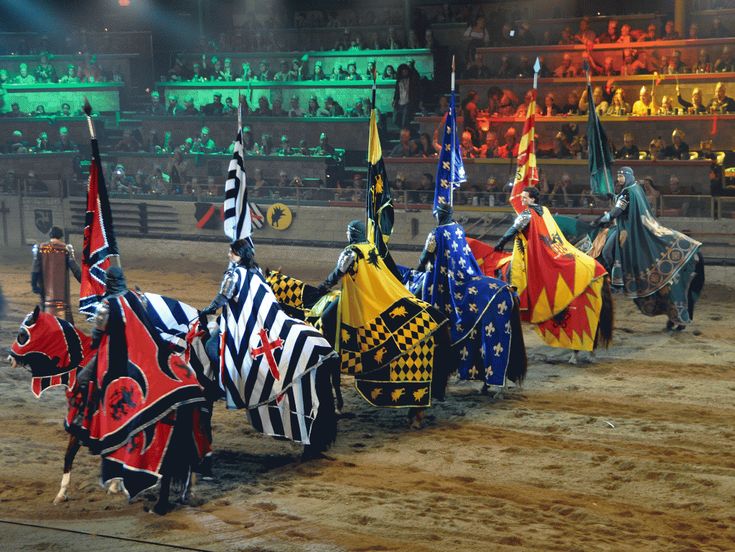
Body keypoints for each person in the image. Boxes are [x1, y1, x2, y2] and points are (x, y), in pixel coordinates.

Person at [201, 240, 337, 456]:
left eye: (231, 252)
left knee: (211, 345)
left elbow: (223, 298)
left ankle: (227, 384)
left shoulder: (233, 274)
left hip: (247, 325)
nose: (228, 255)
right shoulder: (256, 272)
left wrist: (205, 311)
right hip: (266, 321)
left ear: (238, 254)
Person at [314, 221, 447, 417]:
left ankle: (334, 355)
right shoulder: (371, 248)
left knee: (326, 317)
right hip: (377, 294)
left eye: (347, 232)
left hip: (360, 298)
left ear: (352, 234)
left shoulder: (351, 251)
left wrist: (323, 287)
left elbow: (338, 273)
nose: (346, 235)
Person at [409, 203, 525, 390]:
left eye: (437, 214)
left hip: (449, 282)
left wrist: (418, 271)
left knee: (433, 309)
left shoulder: (436, 234)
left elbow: (424, 258)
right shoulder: (458, 229)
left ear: (440, 215)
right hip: (467, 274)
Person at [493, 187, 611, 357]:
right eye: (523, 197)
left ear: (533, 199)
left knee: (515, 272)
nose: (523, 200)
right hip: (555, 247)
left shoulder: (526, 214)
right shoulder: (546, 211)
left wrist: (500, 243)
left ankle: (522, 302)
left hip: (537, 253)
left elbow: (512, 231)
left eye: (525, 197)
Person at [592, 167, 704, 330]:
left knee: (609, 249)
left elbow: (617, 210)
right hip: (641, 224)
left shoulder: (627, 193)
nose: (619, 179)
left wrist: (604, 218)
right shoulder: (635, 188)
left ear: (628, 176)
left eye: (621, 176)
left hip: (630, 230)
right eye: (618, 177)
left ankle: (616, 279)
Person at [31, 226, 81, 321]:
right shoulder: (66, 249)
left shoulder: (41, 248)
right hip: (62, 293)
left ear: (50, 235)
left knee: (45, 315)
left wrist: (34, 285)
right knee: (65, 318)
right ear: (61, 236)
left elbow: (35, 269)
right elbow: (75, 268)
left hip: (45, 291)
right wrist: (83, 281)